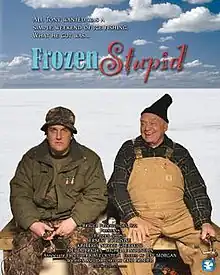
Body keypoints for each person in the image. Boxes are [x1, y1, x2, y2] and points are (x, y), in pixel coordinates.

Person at [107, 94, 220, 275]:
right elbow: (116, 187)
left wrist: (204, 220)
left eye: (152, 123)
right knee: (131, 254)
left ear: (165, 126)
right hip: (142, 217)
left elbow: (196, 188)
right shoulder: (128, 149)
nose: (146, 128)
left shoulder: (179, 152)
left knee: (212, 244)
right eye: (143, 123)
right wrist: (132, 217)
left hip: (178, 217)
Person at [6, 106, 108, 275]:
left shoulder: (88, 159)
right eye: (53, 130)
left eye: (64, 130)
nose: (59, 136)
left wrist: (74, 221)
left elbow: (97, 195)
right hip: (38, 220)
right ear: (46, 132)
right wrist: (32, 223)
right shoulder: (31, 159)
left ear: (72, 133)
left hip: (75, 222)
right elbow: (19, 194)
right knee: (22, 256)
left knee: (86, 255)